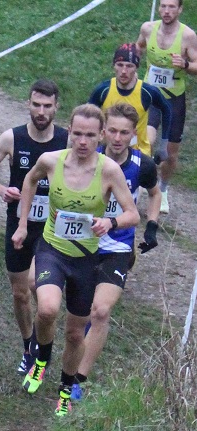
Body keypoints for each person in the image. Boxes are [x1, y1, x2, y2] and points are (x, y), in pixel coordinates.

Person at [12, 104, 140, 416]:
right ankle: (42, 358)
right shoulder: (50, 161)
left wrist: (109, 223)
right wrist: (23, 223)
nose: (83, 141)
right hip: (52, 250)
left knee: (73, 333)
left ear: (101, 136)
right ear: (70, 132)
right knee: (47, 308)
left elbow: (132, 213)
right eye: (78, 134)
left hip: (86, 260)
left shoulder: (109, 170)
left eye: (90, 136)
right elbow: (30, 181)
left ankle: (66, 390)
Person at [0, 79, 68, 375]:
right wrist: (1, 189)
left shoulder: (66, 140)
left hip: (52, 229)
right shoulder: (12, 138)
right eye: (36, 105)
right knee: (20, 293)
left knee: (36, 285)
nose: (41, 111)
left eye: (47, 106)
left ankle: (44, 346)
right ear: (28, 104)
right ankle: (28, 346)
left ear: (56, 107)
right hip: (19, 224)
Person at [71, 103, 161, 401]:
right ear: (103, 131)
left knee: (101, 310)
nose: (117, 138)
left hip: (118, 247)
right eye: (112, 131)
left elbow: (155, 192)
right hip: (83, 244)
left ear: (133, 134)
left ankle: (77, 379)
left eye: (125, 132)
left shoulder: (143, 165)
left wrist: (152, 225)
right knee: (77, 312)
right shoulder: (86, 158)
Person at [136, 0, 197, 213]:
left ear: (180, 10)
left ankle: (163, 190)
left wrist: (187, 65)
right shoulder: (148, 28)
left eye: (172, 7)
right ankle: (140, 184)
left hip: (174, 98)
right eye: (163, 6)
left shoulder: (188, 36)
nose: (166, 11)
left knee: (170, 153)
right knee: (147, 140)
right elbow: (139, 47)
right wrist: (132, 59)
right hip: (151, 94)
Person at [89, 43, 171, 159]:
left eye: (129, 66)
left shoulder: (146, 92)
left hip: (139, 154)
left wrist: (163, 146)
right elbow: (87, 116)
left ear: (136, 68)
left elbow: (166, 109)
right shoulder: (103, 90)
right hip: (108, 153)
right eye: (120, 65)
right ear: (114, 66)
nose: (123, 71)